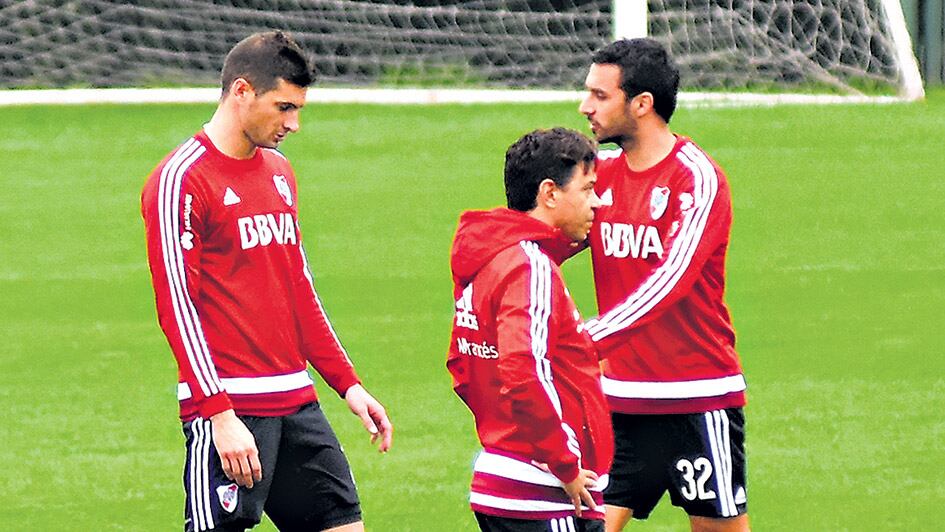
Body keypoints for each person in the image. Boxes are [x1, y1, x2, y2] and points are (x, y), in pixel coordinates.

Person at [141, 31, 393, 532]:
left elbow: (298, 287)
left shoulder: (279, 171)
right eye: (283, 108)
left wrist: (348, 384)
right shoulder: (181, 180)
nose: (294, 124)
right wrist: (218, 415)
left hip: (296, 402)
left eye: (298, 109)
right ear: (241, 92)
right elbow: (177, 307)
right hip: (231, 409)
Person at [577, 38, 750, 532]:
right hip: (619, 405)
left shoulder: (696, 179)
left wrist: (582, 342)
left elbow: (669, 280)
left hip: (695, 398)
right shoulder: (600, 178)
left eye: (599, 95)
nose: (584, 106)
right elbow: (545, 244)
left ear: (642, 104)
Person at [446, 128, 613, 532]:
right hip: (545, 494)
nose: (597, 203)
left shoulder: (488, 258)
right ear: (550, 193)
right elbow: (523, 368)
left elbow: (461, 367)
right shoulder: (529, 266)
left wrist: (502, 429)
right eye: (588, 189)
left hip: (504, 482)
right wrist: (564, 463)